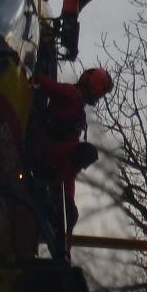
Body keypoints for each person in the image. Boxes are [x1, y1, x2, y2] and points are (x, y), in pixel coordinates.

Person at [32, 68, 113, 249]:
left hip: (55, 168)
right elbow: (47, 85)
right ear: (92, 87)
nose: (98, 97)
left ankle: (60, 248)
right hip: (44, 154)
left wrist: (68, 196)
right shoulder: (71, 95)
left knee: (69, 214)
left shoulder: (77, 112)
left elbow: (71, 161)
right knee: (88, 152)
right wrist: (35, 79)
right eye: (99, 92)